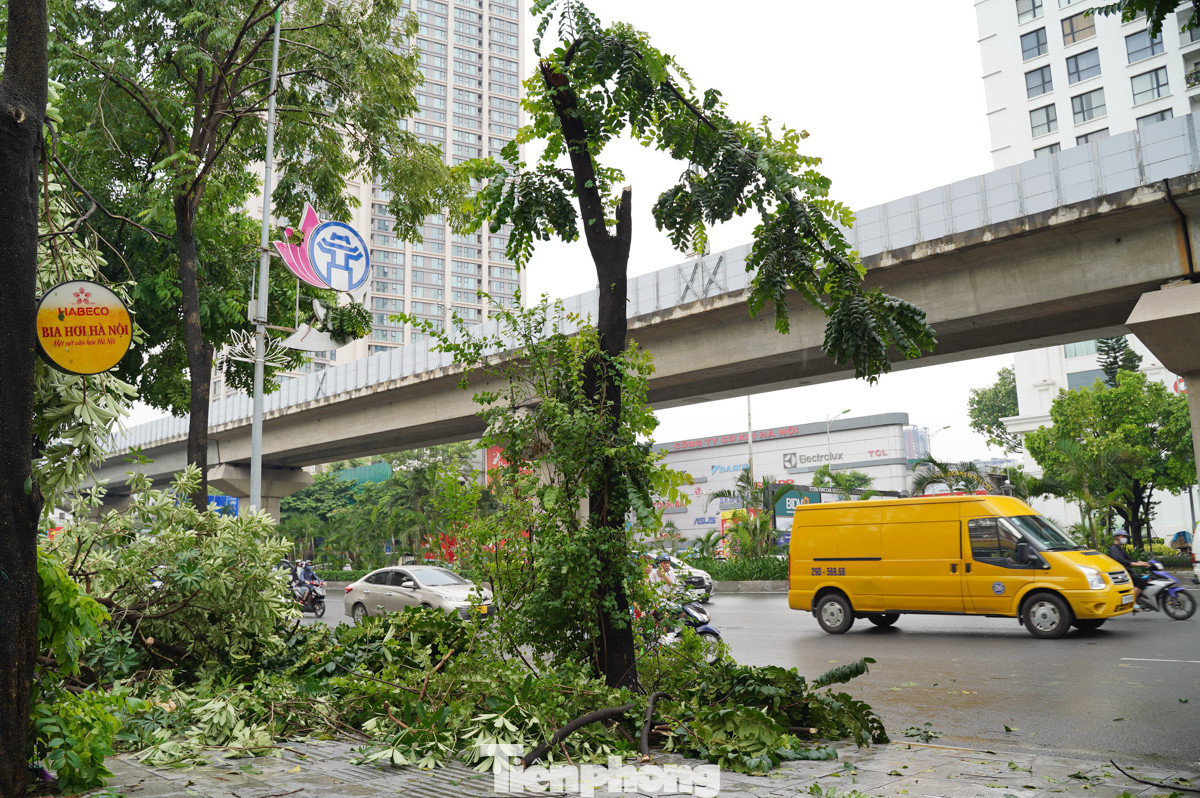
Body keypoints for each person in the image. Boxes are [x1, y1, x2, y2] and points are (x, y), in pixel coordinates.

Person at [1107, 532, 1150, 607]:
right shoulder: (1113, 548)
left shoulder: (1120, 549)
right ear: (1117, 537)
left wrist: (1142, 562)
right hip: (1120, 574)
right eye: (1123, 536)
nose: (1125, 538)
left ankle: (1139, 597)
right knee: (1141, 581)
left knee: (1146, 578)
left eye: (1125, 536)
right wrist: (1136, 564)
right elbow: (1121, 560)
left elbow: (1130, 559)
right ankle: (1133, 601)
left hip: (1126, 572)